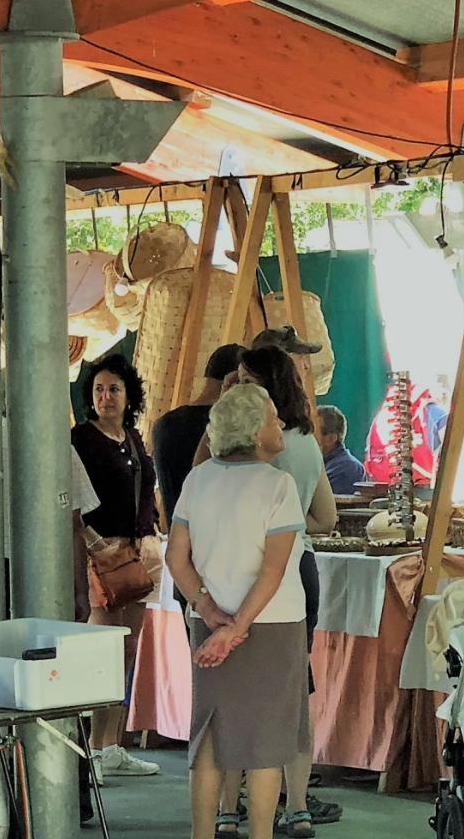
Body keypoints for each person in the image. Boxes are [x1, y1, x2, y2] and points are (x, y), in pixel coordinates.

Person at [197, 345, 340, 837]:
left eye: (242, 379)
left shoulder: (216, 467)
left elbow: (183, 536)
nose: (234, 385)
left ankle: (226, 811)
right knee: (287, 698)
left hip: (231, 584)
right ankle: (296, 805)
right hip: (293, 575)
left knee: (228, 703)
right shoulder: (305, 445)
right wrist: (293, 530)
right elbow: (327, 517)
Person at [166, 383, 311, 839]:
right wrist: (237, 627)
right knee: (267, 741)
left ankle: (202, 833)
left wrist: (209, 612)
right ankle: (261, 834)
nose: (281, 423)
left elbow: (176, 558)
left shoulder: (198, 479)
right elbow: (274, 568)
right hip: (273, 624)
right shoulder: (278, 484)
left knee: (208, 734)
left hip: (210, 625)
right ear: (252, 429)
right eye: (272, 416)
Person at [71, 354, 162, 778]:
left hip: (134, 555)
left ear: (129, 396)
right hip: (98, 556)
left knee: (127, 650)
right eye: (99, 389)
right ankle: (89, 749)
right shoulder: (81, 440)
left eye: (114, 389)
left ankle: (111, 746)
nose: (106, 397)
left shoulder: (133, 438)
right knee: (101, 651)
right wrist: (94, 543)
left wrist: (147, 535)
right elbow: (72, 501)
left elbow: (145, 493)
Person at [0, 427, 100, 625]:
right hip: (47, 572)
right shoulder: (62, 453)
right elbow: (73, 528)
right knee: (44, 651)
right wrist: (81, 592)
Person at [153, 343, 245, 530]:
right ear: (235, 379)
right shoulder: (228, 427)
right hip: (214, 541)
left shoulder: (163, 424)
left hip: (176, 538)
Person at [317, 405, 366, 495]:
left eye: (313, 431)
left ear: (330, 438)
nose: (306, 436)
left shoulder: (347, 468)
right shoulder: (320, 463)